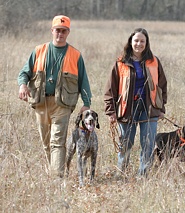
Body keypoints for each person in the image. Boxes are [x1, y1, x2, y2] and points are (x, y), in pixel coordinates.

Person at [18, 15, 92, 178]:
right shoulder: (39, 51)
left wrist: (87, 103)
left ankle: (56, 178)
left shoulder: (75, 55)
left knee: (57, 141)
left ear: (68, 32)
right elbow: (24, 72)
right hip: (41, 102)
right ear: (52, 30)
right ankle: (54, 170)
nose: (60, 34)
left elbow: (83, 81)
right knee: (46, 143)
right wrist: (23, 85)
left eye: (64, 31)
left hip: (63, 104)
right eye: (58, 30)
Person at [104, 28, 167, 176]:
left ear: (146, 43)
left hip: (150, 108)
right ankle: (121, 174)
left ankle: (142, 176)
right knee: (126, 144)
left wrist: (161, 108)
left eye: (142, 41)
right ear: (131, 42)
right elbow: (110, 88)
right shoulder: (120, 62)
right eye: (136, 40)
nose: (139, 44)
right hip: (127, 108)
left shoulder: (154, 61)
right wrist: (111, 111)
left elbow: (162, 86)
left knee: (148, 144)